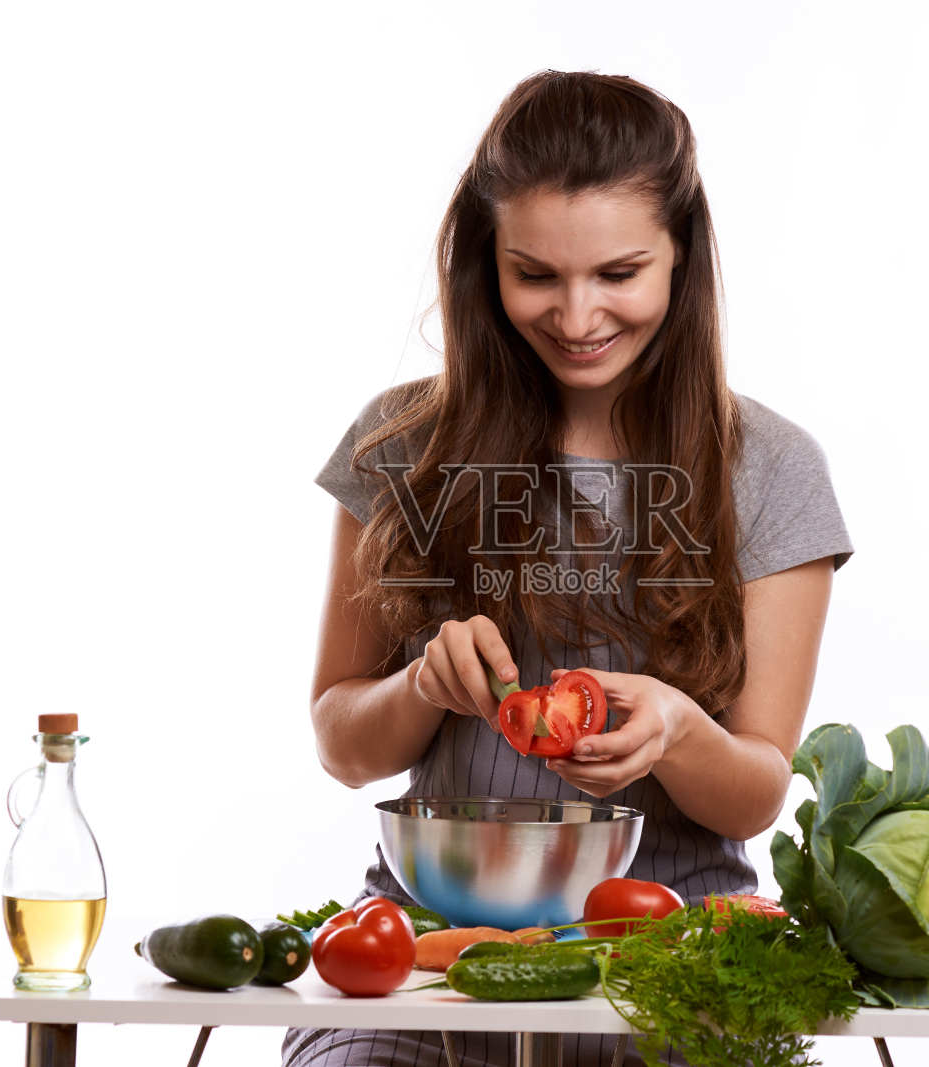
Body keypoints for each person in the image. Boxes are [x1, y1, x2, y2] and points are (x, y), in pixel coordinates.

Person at [284, 69, 853, 1067]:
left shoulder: (769, 465)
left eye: (618, 272)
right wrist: (421, 682)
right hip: (430, 949)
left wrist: (679, 732)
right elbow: (343, 742)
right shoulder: (399, 443)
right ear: (483, 261)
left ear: (681, 259)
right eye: (535, 273)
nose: (576, 313)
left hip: (675, 947)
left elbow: (755, 788)